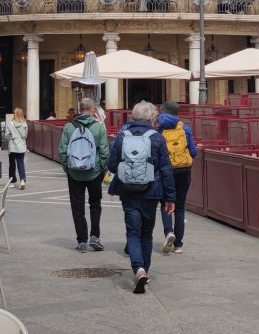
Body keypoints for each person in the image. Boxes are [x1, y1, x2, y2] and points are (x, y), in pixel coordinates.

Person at [106, 100, 176, 293]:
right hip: (151, 193)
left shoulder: (122, 136)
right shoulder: (157, 138)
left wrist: (127, 169)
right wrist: (170, 198)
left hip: (128, 192)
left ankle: (138, 269)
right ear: (151, 118)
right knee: (146, 233)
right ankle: (145, 269)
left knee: (133, 232)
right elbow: (166, 170)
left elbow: (111, 165)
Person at [58, 96, 109, 252]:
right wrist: (100, 170)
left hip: (74, 173)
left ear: (80, 110)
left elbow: (62, 151)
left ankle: (81, 240)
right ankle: (95, 236)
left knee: (77, 206)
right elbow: (104, 152)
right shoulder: (98, 127)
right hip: (94, 173)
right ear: (93, 110)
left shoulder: (68, 127)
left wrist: (68, 169)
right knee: (95, 204)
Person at [156, 101, 198, 254]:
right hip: (184, 171)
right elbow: (193, 153)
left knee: (166, 204)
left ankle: (169, 232)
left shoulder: (159, 130)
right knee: (180, 207)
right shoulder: (185, 129)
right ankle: (179, 245)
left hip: (166, 172)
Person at [4, 106, 30, 188]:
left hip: (12, 147)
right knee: (20, 163)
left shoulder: (10, 123)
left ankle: (12, 182)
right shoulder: (24, 123)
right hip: (21, 146)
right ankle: (22, 180)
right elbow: (25, 135)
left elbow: (6, 136)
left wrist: (12, 138)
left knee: (12, 164)